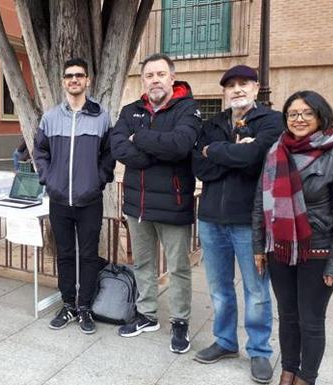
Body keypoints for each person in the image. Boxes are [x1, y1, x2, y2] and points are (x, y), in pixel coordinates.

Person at [252, 90, 333, 385]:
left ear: (321, 115)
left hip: (318, 251)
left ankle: (305, 377)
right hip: (280, 250)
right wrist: (259, 247)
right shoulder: (275, 152)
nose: (299, 119)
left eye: (307, 113)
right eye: (293, 114)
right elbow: (260, 203)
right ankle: (287, 371)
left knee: (310, 320)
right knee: (287, 316)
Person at [191, 65, 283, 383]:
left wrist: (216, 151)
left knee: (257, 291)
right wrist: (233, 155)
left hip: (249, 221)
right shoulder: (213, 123)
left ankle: (259, 352)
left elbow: (255, 159)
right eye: (231, 85)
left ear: (256, 89)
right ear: (224, 92)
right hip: (211, 219)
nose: (237, 89)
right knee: (219, 289)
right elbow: (199, 167)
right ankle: (226, 342)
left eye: (244, 83)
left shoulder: (271, 120)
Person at [110, 53, 201, 353]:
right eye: (149, 75)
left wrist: (141, 138)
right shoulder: (130, 110)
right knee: (143, 264)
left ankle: (180, 322)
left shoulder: (188, 109)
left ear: (172, 79)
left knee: (177, 267)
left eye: (161, 74)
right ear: (143, 80)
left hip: (174, 203)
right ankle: (147, 315)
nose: (155, 80)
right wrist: (153, 148)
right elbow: (118, 146)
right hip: (138, 204)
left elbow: (180, 145)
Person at [34, 57, 115, 334]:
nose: (74, 80)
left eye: (79, 75)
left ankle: (85, 308)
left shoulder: (101, 116)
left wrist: (98, 180)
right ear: (63, 81)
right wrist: (48, 179)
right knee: (65, 254)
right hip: (59, 200)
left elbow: (109, 154)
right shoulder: (50, 117)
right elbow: (40, 153)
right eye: (69, 76)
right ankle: (68, 303)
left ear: (87, 80)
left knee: (89, 255)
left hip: (89, 200)